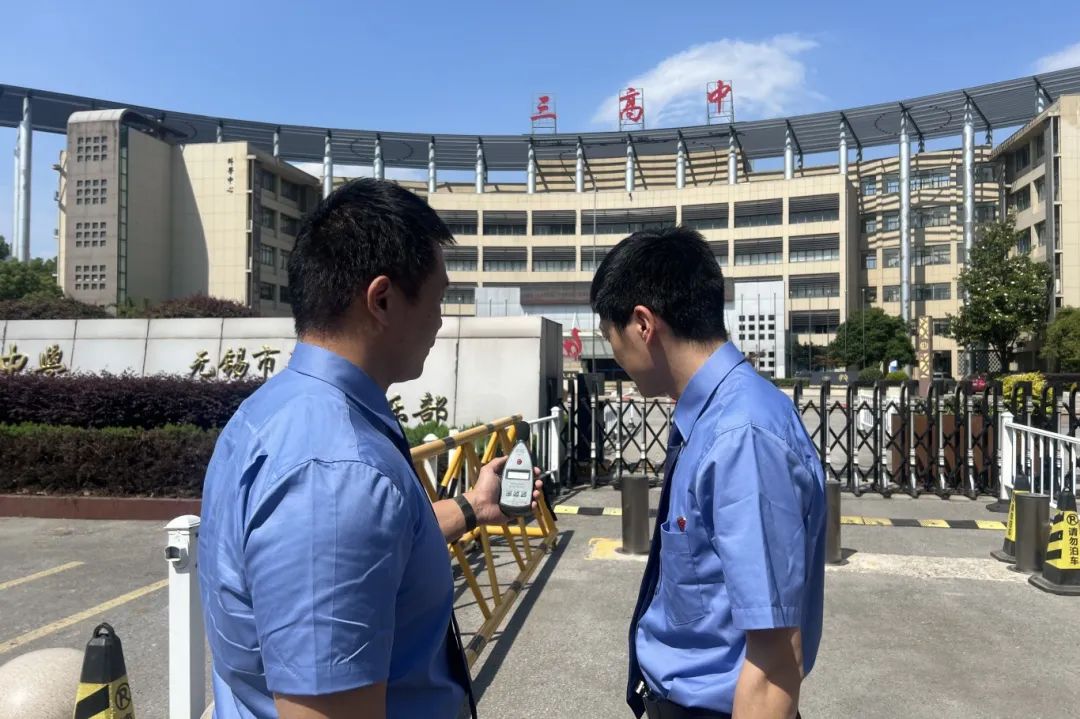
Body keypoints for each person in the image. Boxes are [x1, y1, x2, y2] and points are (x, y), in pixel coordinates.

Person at [198, 178, 541, 719]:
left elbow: (381, 541)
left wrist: (474, 506)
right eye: (439, 298)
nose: (441, 319)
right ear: (382, 300)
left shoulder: (271, 412)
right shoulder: (337, 472)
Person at [589, 227, 826, 719]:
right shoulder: (712, 419)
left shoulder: (742, 436)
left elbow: (774, 660)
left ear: (642, 324)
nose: (613, 354)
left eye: (609, 335)